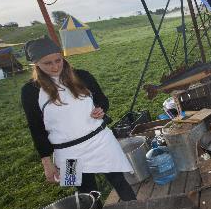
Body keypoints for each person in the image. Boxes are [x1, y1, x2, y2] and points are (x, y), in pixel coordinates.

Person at [21, 37, 136, 200]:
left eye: (58, 60)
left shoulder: (82, 76)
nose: (55, 67)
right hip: (67, 152)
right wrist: (46, 162)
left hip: (100, 141)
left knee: (119, 181)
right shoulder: (30, 91)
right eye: (48, 63)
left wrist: (100, 109)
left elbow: (102, 99)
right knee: (86, 195)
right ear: (36, 64)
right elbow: (36, 127)